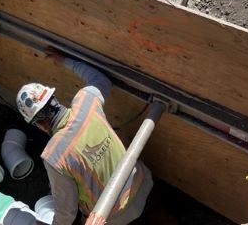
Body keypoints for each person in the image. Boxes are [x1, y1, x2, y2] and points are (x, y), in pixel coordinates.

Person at [16, 53, 153, 225]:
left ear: (40, 124)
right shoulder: (86, 101)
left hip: (117, 216)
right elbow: (100, 79)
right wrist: (64, 60)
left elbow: (67, 213)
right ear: (54, 99)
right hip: (142, 180)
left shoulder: (54, 156)